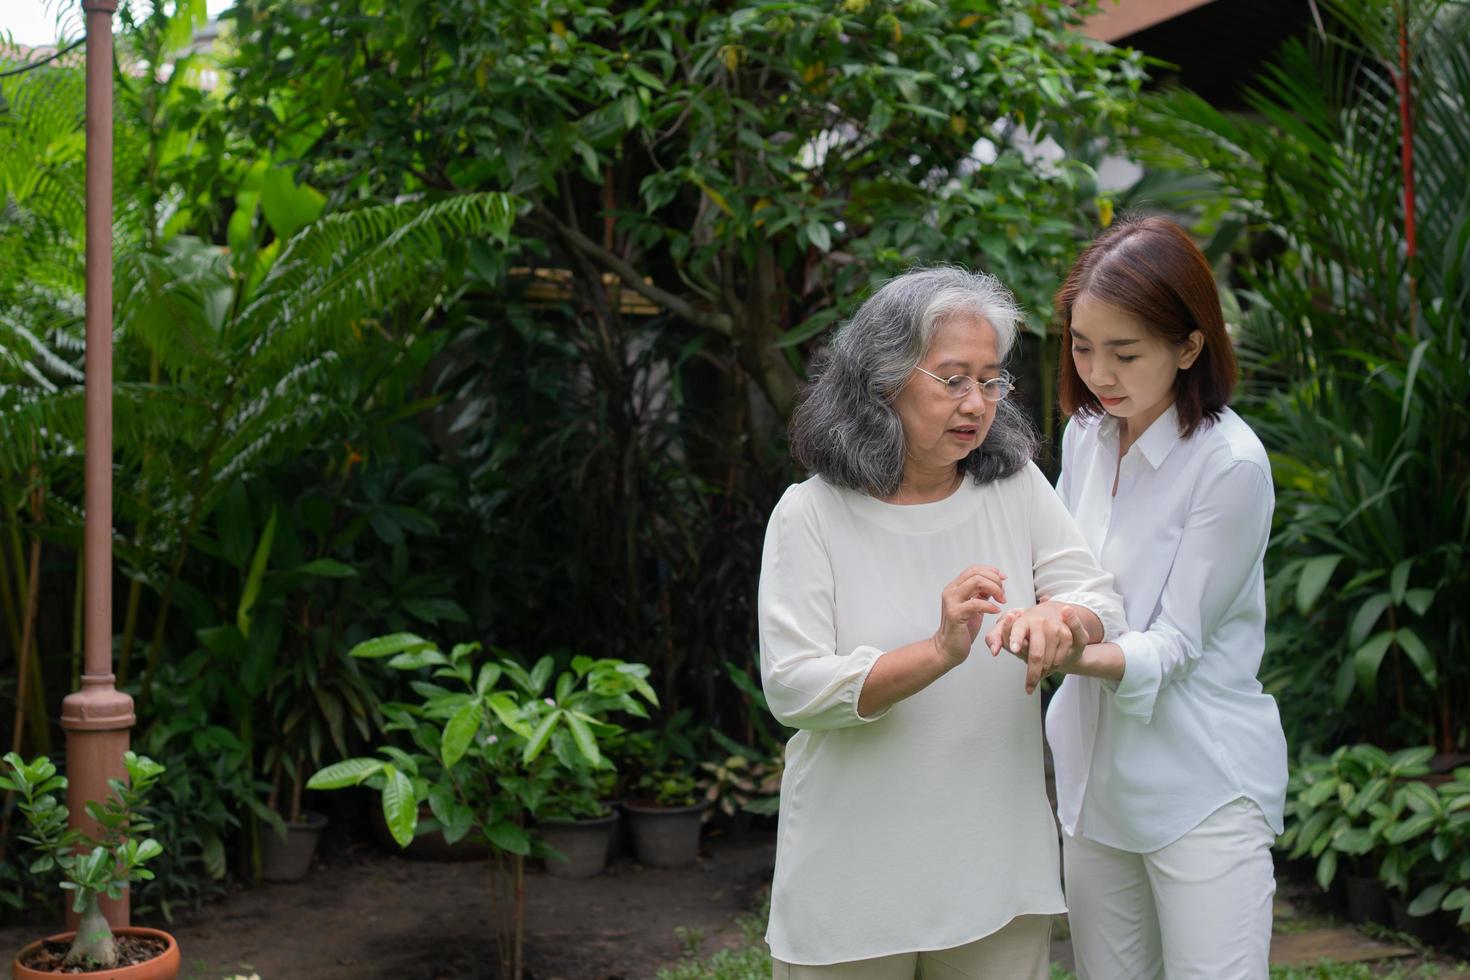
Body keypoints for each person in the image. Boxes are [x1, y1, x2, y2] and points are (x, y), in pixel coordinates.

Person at [757, 266, 1128, 979]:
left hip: (996, 866)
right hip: (852, 876)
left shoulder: (1014, 487)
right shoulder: (811, 514)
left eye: (991, 381)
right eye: (953, 379)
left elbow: (1098, 599)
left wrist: (1061, 618)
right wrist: (936, 650)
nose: (977, 403)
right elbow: (794, 688)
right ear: (883, 380)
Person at [990, 216, 1289, 979]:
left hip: (1202, 784)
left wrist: (1065, 645)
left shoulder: (1230, 466)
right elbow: (1060, 572)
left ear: (1189, 347)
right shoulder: (1091, 434)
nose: (1098, 374)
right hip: (1094, 781)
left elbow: (1175, 645)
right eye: (1082, 347)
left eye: (1124, 353)